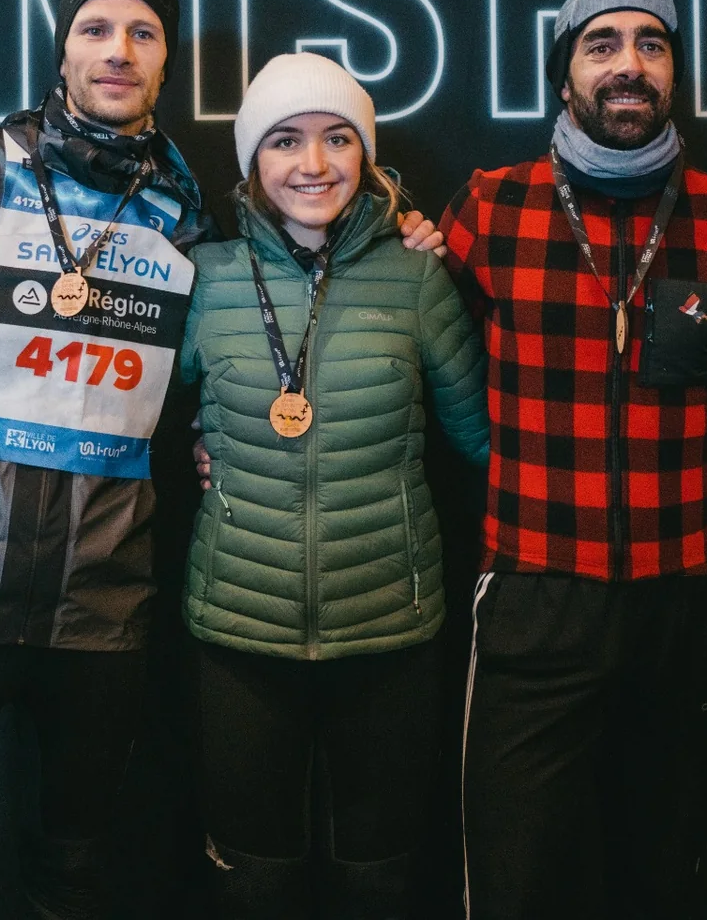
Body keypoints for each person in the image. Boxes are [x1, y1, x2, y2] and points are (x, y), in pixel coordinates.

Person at [0, 0, 444, 918]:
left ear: (164, 64)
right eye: (96, 29)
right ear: (64, 47)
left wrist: (399, 230)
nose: (118, 51)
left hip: (103, 603)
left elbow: (218, 359)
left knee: (75, 875)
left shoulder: (183, 205)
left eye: (143, 34)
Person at [441, 0, 707, 918]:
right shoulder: (491, 209)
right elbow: (400, 353)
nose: (628, 65)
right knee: (516, 885)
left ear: (672, 74)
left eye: (651, 45)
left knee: (662, 883)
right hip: (533, 597)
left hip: (684, 607)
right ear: (565, 77)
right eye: (602, 45)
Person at [178, 54, 487, 918]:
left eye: (336, 138)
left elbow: (488, 441)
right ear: (252, 162)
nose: (313, 163)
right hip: (239, 626)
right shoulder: (206, 278)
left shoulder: (419, 276)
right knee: (254, 875)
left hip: (390, 626)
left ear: (366, 154)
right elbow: (114, 414)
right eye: (285, 140)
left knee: (380, 876)